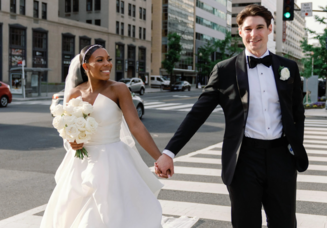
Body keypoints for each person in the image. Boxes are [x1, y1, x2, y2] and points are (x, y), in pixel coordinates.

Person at [155, 4, 309, 228]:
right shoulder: (224, 70)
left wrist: (295, 148)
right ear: (240, 32)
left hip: (281, 158)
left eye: (259, 28)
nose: (253, 34)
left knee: (285, 223)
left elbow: (298, 114)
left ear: (269, 30)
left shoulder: (288, 67)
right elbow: (197, 114)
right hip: (243, 160)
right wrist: (169, 152)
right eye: (247, 29)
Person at [41, 44, 169, 228]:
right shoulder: (74, 93)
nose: (107, 64)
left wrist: (160, 158)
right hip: (81, 163)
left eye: (108, 59)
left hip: (113, 159)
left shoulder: (119, 89)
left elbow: (136, 126)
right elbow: (69, 128)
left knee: (112, 213)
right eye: (99, 60)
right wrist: (73, 141)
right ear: (86, 67)